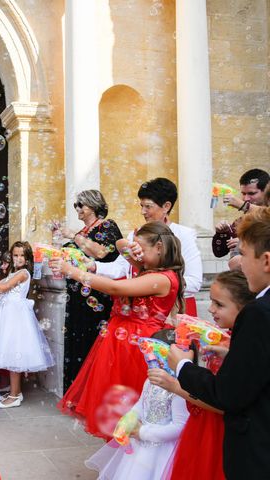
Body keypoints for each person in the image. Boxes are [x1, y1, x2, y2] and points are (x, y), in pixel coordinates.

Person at [50, 221, 185, 438]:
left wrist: (73, 271)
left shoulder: (162, 278)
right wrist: (134, 247)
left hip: (139, 348)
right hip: (120, 341)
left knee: (132, 408)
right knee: (113, 410)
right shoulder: (146, 268)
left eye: (142, 248)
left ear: (159, 248)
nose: (136, 255)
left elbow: (115, 287)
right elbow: (120, 243)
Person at [167, 207, 270, 479]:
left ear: (267, 261)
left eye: (243, 255)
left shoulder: (259, 312)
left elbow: (229, 395)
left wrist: (183, 367)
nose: (238, 263)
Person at [148, 271, 255, 480]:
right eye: (212, 302)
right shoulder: (233, 341)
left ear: (245, 309)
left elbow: (222, 403)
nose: (211, 309)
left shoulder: (245, 345)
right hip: (204, 426)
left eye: (219, 304)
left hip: (218, 434)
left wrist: (176, 385)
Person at [88, 178, 202, 316]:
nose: (143, 211)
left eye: (148, 206)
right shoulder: (135, 234)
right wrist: (92, 266)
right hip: (140, 310)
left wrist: (154, 286)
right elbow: (121, 268)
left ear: (166, 206)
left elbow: (194, 281)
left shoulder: (184, 235)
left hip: (171, 311)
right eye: (141, 206)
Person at [85, 332, 190, 480]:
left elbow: (180, 427)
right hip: (140, 444)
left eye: (157, 356)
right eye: (149, 356)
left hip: (162, 452)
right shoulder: (150, 381)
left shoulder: (179, 390)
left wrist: (143, 433)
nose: (151, 360)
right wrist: (129, 418)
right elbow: (141, 404)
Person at [55, 190, 123, 390]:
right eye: (76, 205)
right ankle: (77, 391)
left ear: (93, 206)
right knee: (77, 341)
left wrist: (74, 236)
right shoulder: (81, 233)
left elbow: (101, 252)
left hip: (97, 296)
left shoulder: (107, 226)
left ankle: (94, 391)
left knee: (92, 341)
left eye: (80, 205)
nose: (77, 209)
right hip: (77, 295)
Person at [0, 241, 55, 408]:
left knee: (14, 354)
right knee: (11, 353)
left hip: (15, 316)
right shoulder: (13, 273)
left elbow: (2, 289)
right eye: (15, 255)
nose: (18, 258)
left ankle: (15, 396)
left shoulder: (23, 273)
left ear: (27, 259)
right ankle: (15, 392)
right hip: (7, 314)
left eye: (21, 256)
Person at [212, 168, 269, 260]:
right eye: (243, 193)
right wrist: (222, 233)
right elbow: (219, 252)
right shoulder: (241, 221)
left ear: (267, 190)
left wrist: (245, 244)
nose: (246, 198)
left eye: (252, 193)